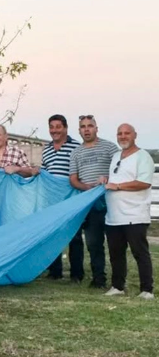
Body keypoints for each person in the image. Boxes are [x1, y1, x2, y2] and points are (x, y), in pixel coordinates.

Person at [100, 123, 154, 299]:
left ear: (134, 135)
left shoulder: (143, 156)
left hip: (134, 215)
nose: (123, 136)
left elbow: (143, 183)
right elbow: (117, 177)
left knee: (140, 253)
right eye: (120, 133)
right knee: (116, 254)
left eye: (126, 133)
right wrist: (107, 180)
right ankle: (117, 286)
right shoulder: (116, 156)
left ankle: (147, 290)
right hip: (114, 216)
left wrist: (117, 186)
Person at [69, 115, 120, 289]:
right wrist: (86, 187)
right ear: (79, 131)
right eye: (83, 126)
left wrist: (108, 178)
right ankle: (99, 279)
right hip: (90, 205)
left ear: (96, 128)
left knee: (115, 243)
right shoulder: (76, 152)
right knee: (93, 244)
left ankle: (118, 281)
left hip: (111, 202)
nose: (86, 129)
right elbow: (73, 179)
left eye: (90, 126)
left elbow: (123, 169)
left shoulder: (110, 148)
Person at [38, 114, 81, 281]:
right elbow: (44, 172)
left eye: (58, 127)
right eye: (52, 127)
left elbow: (80, 172)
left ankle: (76, 274)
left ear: (65, 128)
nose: (54, 130)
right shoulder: (47, 149)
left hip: (72, 199)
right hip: (52, 199)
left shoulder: (76, 147)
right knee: (52, 234)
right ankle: (55, 271)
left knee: (75, 236)